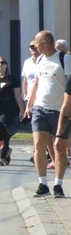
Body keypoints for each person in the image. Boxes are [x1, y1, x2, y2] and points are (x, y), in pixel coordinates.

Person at [26, 30, 71, 197]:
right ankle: (42, 183)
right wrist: (29, 104)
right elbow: (37, 83)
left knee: (59, 148)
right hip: (40, 108)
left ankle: (58, 184)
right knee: (38, 145)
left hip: (60, 110)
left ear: (45, 43)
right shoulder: (39, 59)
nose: (35, 47)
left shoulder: (64, 59)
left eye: (37, 43)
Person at [0, 55, 24, 165]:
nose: (0, 65)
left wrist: (22, 110)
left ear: (6, 65)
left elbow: (18, 95)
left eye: (2, 63)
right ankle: (7, 151)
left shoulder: (12, 79)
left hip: (8, 108)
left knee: (3, 128)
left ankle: (2, 157)